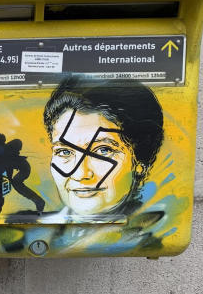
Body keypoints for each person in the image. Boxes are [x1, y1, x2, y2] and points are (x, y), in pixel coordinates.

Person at [40, 75, 163, 222]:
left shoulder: (162, 232)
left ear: (140, 164)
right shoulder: (30, 234)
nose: (80, 174)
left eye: (103, 150)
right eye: (65, 152)